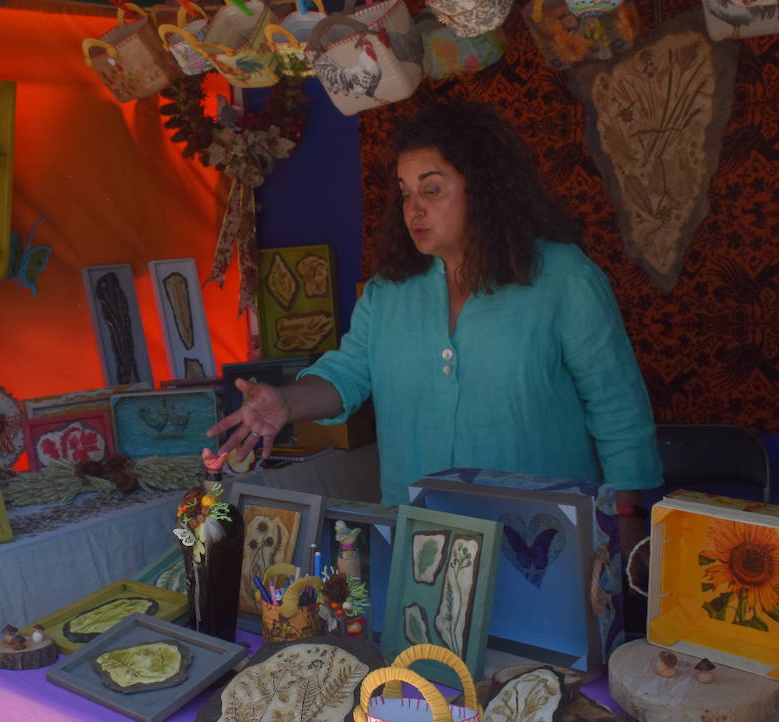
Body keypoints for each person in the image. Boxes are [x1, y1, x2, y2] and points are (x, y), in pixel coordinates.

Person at [210, 100, 663, 515]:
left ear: (484, 190)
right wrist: (286, 401)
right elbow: (347, 373)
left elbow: (617, 408)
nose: (414, 209)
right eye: (406, 193)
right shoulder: (390, 290)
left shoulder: (563, 277)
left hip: (542, 538)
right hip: (420, 537)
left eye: (432, 190)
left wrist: (625, 523)